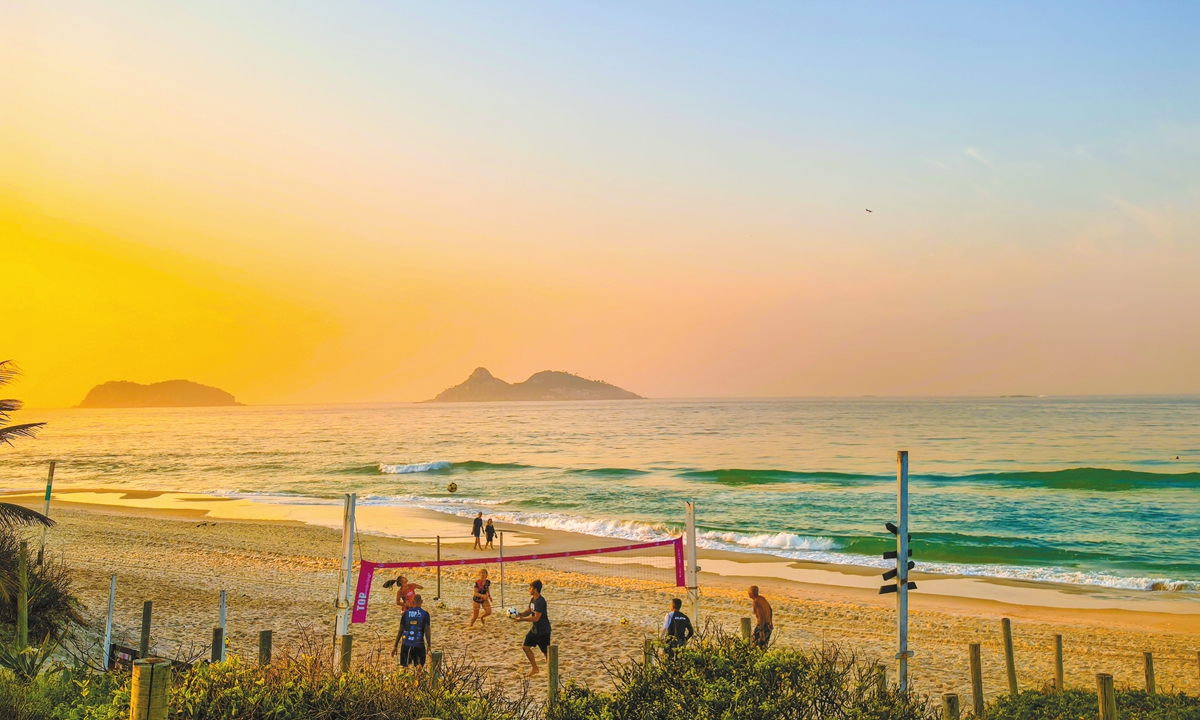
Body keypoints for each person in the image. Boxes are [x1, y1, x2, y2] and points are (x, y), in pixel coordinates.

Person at [513, 579, 551, 675]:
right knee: (525, 647)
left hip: (543, 631)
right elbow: (530, 610)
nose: (529, 589)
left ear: (535, 589)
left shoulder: (541, 601)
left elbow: (536, 618)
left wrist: (523, 620)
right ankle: (535, 668)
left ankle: (551, 671)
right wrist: (520, 614)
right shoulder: (533, 599)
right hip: (535, 630)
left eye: (530, 588)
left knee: (547, 653)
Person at [392, 593, 431, 666]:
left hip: (406, 644)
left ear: (412, 602)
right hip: (419, 644)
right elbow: (427, 630)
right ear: (421, 602)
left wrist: (395, 646)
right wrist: (429, 645)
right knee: (419, 668)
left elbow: (400, 630)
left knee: (404, 669)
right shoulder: (425, 614)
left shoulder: (406, 614)